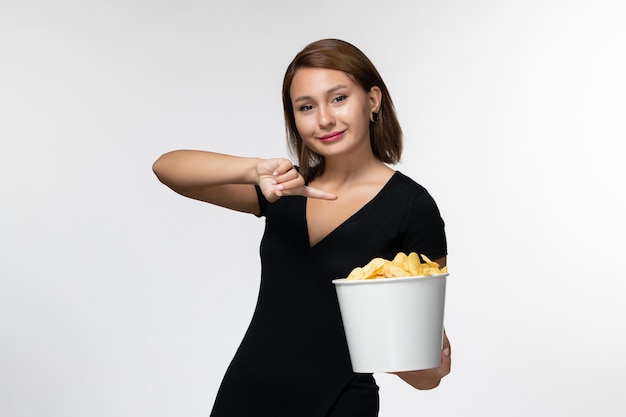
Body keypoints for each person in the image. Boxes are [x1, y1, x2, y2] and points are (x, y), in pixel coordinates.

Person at [153, 38, 450, 417]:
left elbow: (425, 373)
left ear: (372, 100)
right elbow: (167, 168)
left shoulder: (412, 208)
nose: (324, 119)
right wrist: (253, 169)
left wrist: (420, 357)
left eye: (338, 98)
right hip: (246, 394)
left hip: (336, 403)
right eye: (306, 107)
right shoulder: (281, 190)